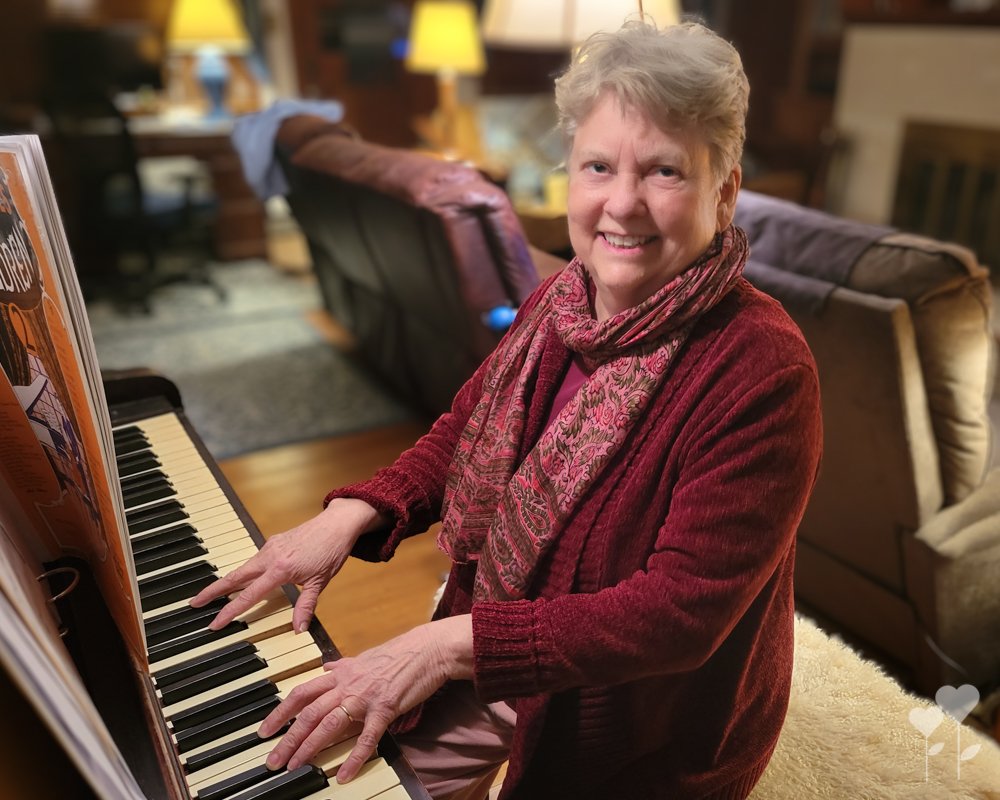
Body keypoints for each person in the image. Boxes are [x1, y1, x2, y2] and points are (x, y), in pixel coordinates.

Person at [191, 18, 823, 800]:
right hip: (500, 635)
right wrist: (352, 515)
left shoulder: (763, 366)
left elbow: (679, 614)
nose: (621, 205)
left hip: (637, 715)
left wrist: (448, 645)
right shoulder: (561, 299)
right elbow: (465, 430)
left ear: (724, 190)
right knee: (308, 764)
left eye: (665, 171)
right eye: (598, 166)